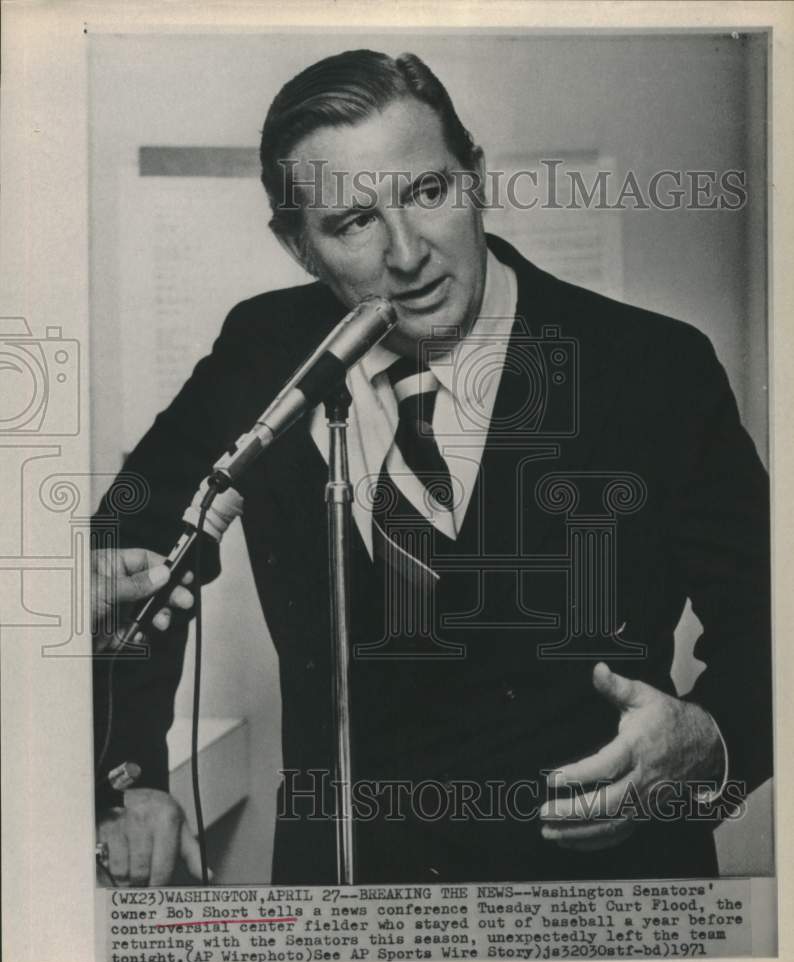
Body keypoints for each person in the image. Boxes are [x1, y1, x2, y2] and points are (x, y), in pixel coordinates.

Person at [93, 49, 771, 886]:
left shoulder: (655, 365)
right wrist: (130, 777)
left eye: (427, 192)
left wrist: (712, 743)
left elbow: (774, 618)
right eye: (354, 222)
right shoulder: (264, 348)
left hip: (603, 896)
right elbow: (125, 551)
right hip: (352, 905)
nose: (409, 253)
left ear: (475, 176)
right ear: (299, 245)